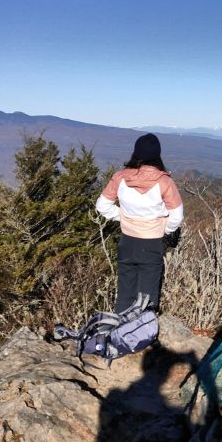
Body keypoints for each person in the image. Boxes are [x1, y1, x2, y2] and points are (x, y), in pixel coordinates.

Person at [95, 133, 183, 313]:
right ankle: (143, 335)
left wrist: (123, 217)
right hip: (152, 243)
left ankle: (119, 333)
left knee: (125, 291)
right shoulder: (164, 182)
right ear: (157, 154)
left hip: (127, 241)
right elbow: (177, 216)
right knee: (148, 294)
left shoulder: (120, 178)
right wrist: (165, 229)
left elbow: (102, 206)